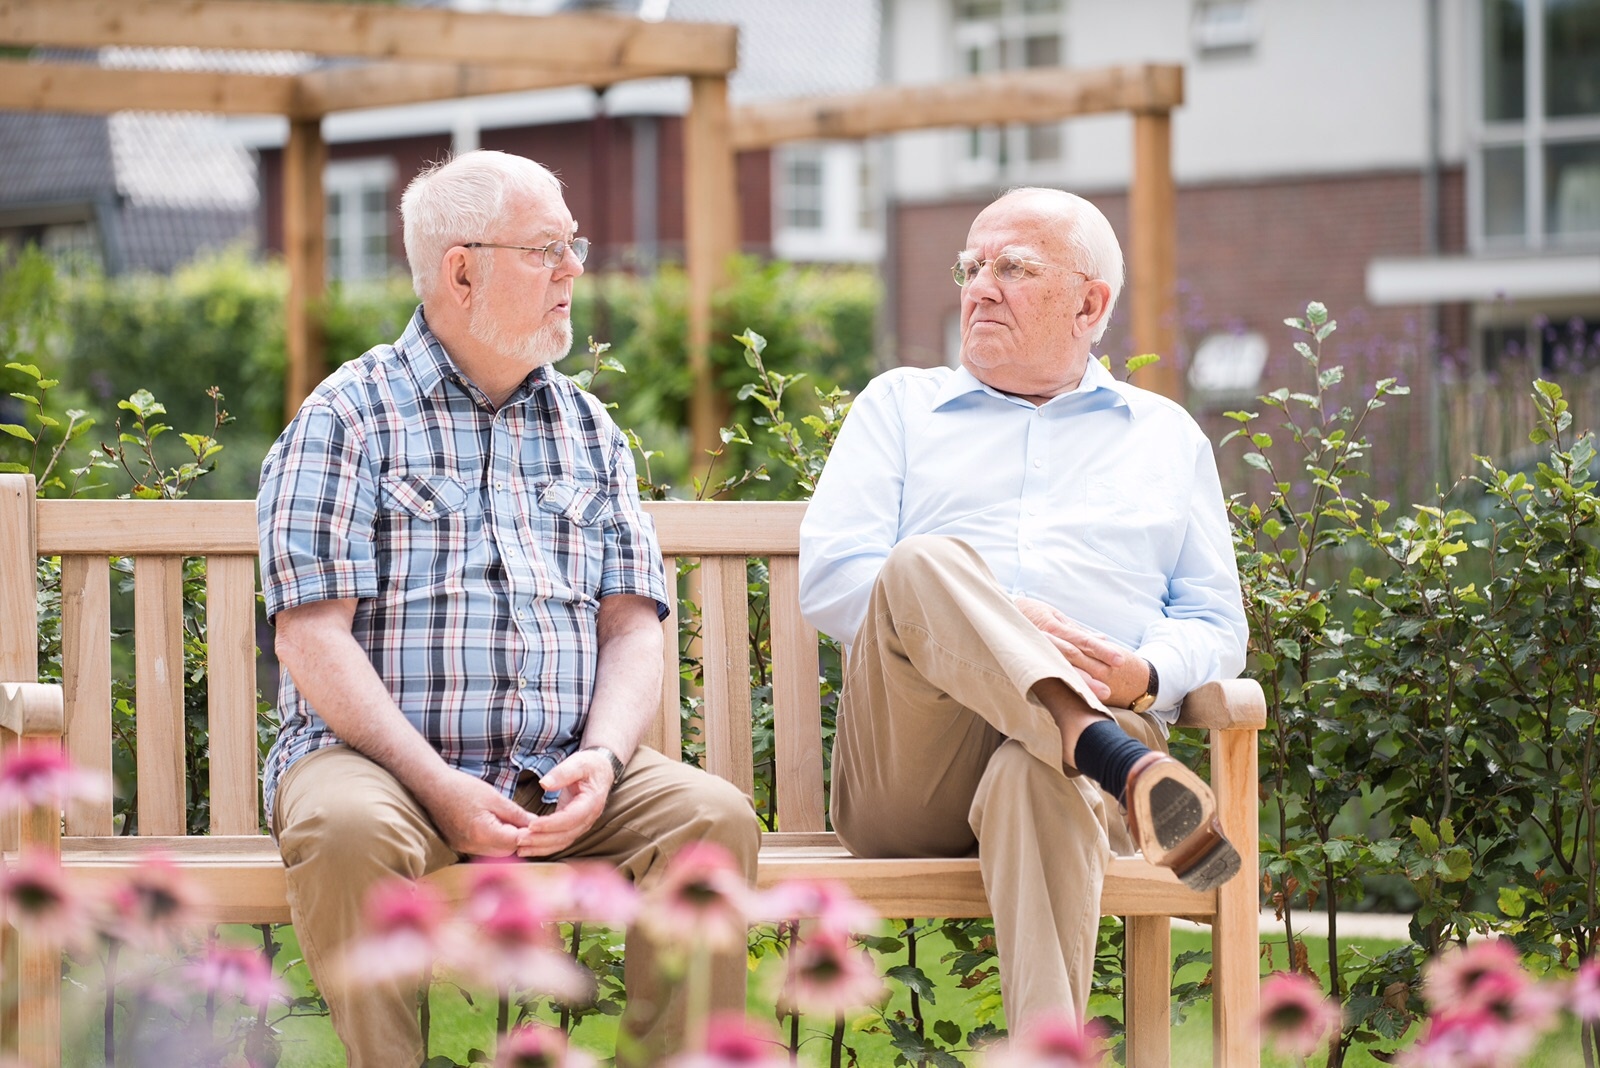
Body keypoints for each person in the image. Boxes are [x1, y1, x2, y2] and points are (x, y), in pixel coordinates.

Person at [257, 150, 760, 1068]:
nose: (575, 270)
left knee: (713, 817)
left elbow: (631, 623)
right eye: (546, 249)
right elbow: (309, 632)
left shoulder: (590, 430)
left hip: (562, 774)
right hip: (384, 769)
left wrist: (605, 759)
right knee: (346, 828)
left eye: (573, 246)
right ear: (461, 269)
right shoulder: (348, 416)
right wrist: (438, 785)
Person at [797, 187, 1249, 1029]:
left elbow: (1216, 620)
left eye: (1013, 267)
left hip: (1075, 771)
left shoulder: (1165, 436)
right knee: (923, 562)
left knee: (1036, 770)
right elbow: (832, 578)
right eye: (972, 267)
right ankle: (1103, 748)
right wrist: (1003, 621)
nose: (980, 287)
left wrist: (1148, 671)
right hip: (915, 760)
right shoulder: (900, 408)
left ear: (1090, 302)